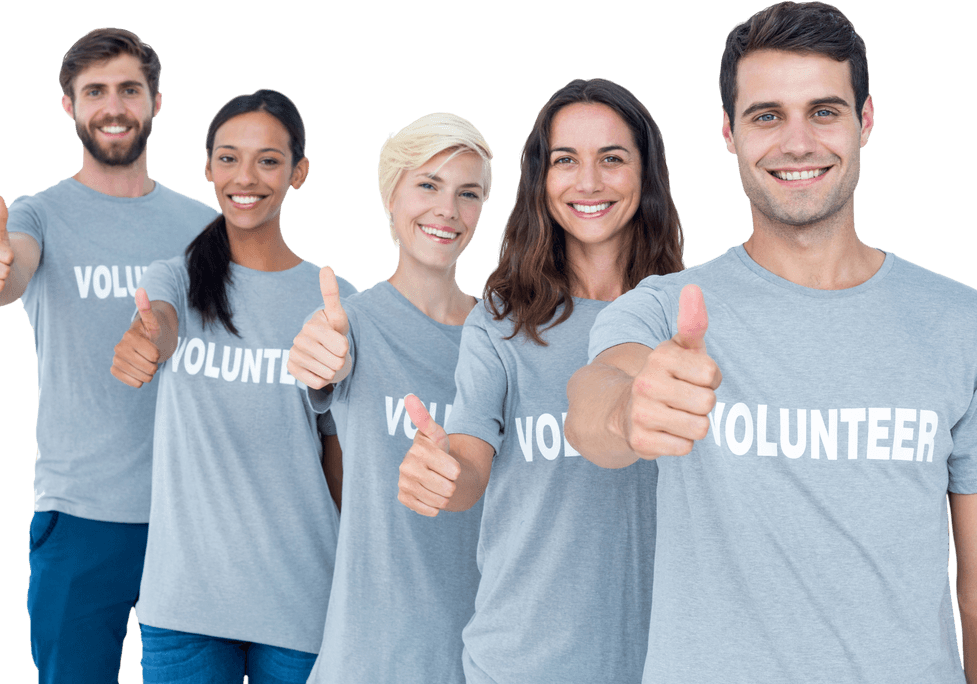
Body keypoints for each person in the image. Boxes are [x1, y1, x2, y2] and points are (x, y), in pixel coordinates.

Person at [565, 3, 977, 683]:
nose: (797, 142)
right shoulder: (667, 309)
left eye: (823, 111)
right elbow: (596, 400)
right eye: (766, 116)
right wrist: (628, 410)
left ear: (865, 120)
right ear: (729, 132)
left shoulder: (963, 322)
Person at [396, 79, 684, 683]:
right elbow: (471, 462)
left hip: (661, 664)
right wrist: (443, 471)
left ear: (645, 174)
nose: (588, 181)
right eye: (565, 161)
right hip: (519, 664)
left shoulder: (686, 321)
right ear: (540, 181)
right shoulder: (499, 324)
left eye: (612, 158)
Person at [0, 28, 217, 683]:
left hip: (190, 517)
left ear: (156, 102)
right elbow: (12, 270)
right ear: (69, 107)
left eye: (129, 89)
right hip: (79, 521)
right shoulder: (37, 214)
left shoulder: (201, 228)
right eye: (94, 91)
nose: (113, 105)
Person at [110, 88, 355, 683]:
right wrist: (148, 339)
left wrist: (361, 570)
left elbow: (338, 451)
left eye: (268, 160)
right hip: (185, 604)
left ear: (298, 172)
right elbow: (158, 324)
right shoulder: (172, 277)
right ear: (208, 168)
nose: (245, 176)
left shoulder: (331, 297)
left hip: (303, 598)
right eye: (228, 157)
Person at [286, 112, 492, 684]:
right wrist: (319, 361)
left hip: (487, 657)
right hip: (368, 659)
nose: (447, 210)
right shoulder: (348, 326)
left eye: (467, 193)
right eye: (428, 185)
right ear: (390, 196)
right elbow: (321, 366)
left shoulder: (503, 340)